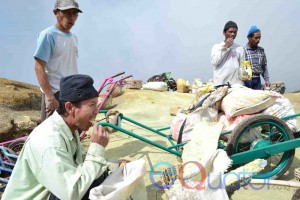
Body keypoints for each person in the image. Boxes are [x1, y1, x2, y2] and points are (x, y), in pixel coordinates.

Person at [2, 74, 146, 200]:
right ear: (70, 108)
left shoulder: (70, 129)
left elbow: (82, 164)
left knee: (102, 178)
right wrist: (97, 148)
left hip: (55, 192)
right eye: (92, 105)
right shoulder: (49, 141)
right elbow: (72, 193)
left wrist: (115, 164)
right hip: (51, 195)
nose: (97, 111)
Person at [34, 0, 82, 121]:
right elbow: (39, 67)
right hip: (55, 92)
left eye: (74, 13)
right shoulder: (48, 35)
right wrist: (50, 97)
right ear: (56, 13)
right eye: (67, 13)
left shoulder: (73, 38)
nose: (71, 17)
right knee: (52, 133)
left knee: (72, 132)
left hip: (71, 92)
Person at [211, 21, 244, 86]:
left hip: (236, 85)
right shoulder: (217, 47)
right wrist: (226, 47)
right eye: (230, 32)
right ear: (224, 33)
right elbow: (215, 62)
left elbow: (242, 66)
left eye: (235, 32)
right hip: (220, 84)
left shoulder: (240, 48)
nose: (233, 34)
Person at [243, 25, 271, 90]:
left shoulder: (261, 50)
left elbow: (264, 66)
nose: (258, 40)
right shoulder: (243, 51)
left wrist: (267, 80)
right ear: (249, 38)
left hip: (257, 81)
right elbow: (242, 68)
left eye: (259, 38)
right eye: (256, 38)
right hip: (247, 81)